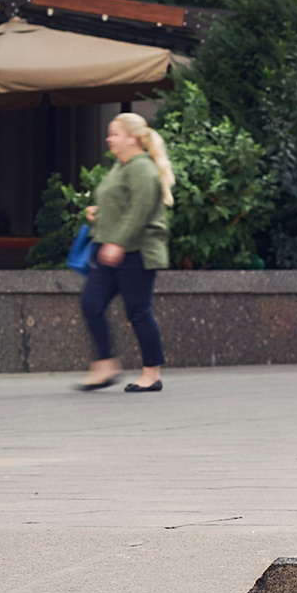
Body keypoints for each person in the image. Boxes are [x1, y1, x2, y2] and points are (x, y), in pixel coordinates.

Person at [79, 112, 173, 395]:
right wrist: (100, 213)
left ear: (132, 138)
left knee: (138, 311)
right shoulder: (121, 167)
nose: (109, 139)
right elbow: (124, 205)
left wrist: (118, 242)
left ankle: (151, 374)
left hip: (136, 252)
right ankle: (106, 364)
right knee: (91, 303)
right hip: (111, 250)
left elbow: (139, 211)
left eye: (115, 134)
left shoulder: (142, 168)